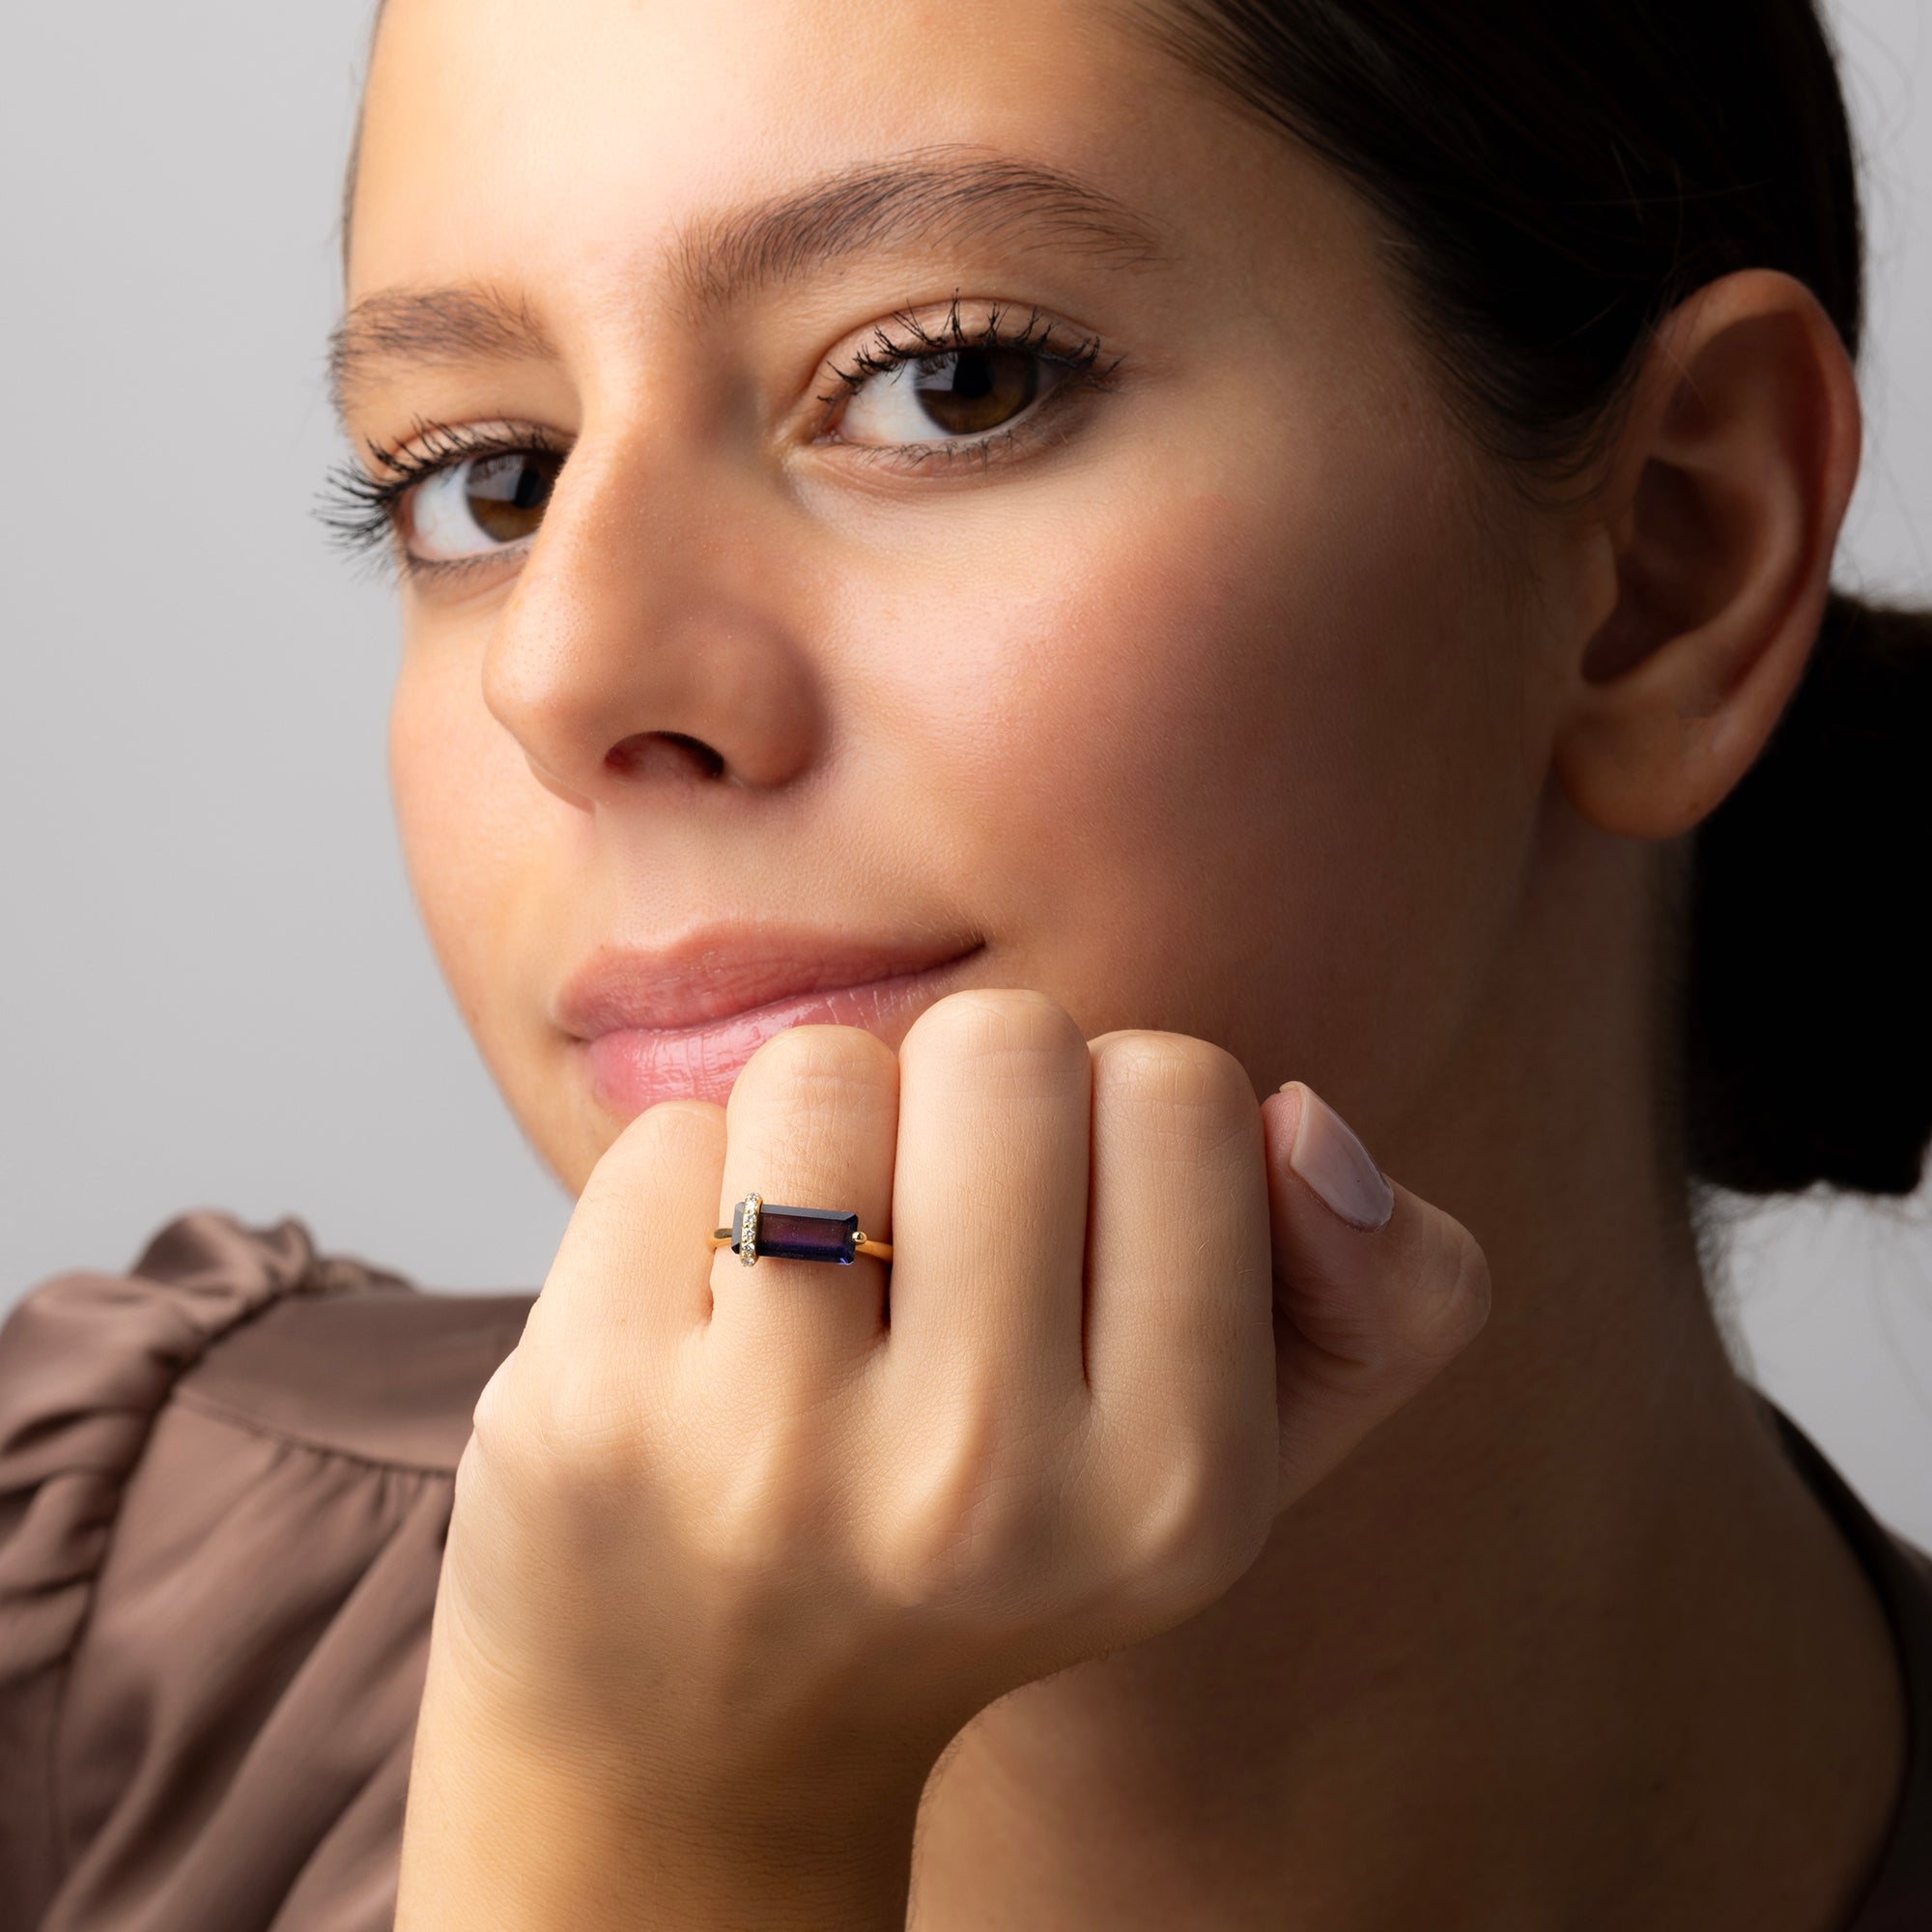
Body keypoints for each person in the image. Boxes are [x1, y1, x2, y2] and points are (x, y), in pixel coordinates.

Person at [3, 0, 1929, 1924]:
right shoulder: (100, 1635)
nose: (564, 672)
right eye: (484, 482)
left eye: (951, 382)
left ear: (1678, 550)